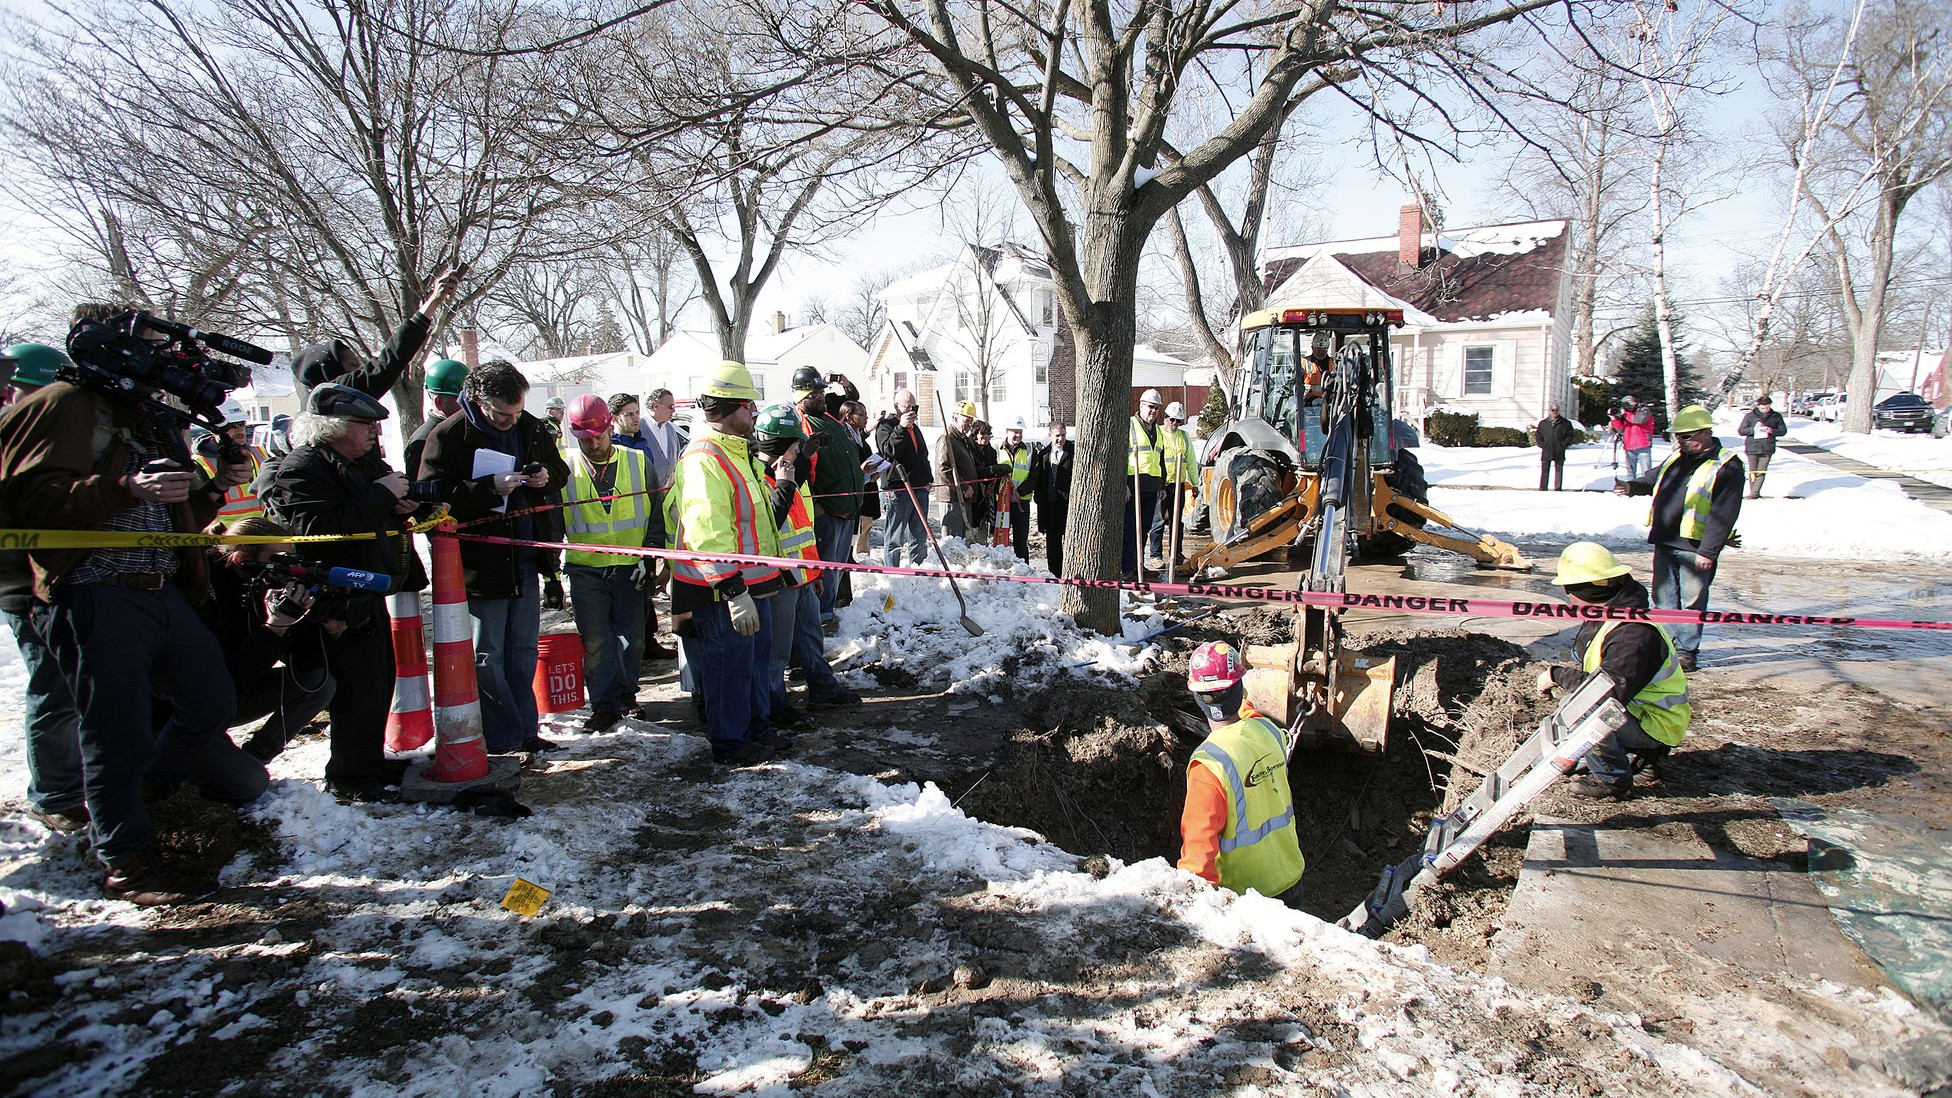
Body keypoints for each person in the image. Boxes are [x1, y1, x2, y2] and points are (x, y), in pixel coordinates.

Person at [1, 309, 267, 904]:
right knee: (112, 732)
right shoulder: (66, 403)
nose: (162, 356)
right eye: (149, 341)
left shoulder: (148, 417)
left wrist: (214, 486)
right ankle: (126, 862)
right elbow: (25, 498)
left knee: (211, 699)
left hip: (162, 588)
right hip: (93, 590)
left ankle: (149, 791)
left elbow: (177, 517)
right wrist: (123, 488)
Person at [261, 384, 426, 800]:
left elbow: (370, 509)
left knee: (378, 682)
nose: (373, 431)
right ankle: (351, 777)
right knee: (355, 690)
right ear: (331, 426)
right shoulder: (302, 467)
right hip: (333, 599)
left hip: (367, 588)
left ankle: (369, 763)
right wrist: (381, 494)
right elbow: (317, 530)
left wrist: (399, 505)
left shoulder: (360, 461)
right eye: (363, 423)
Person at [419, 361, 570, 755]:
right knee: (487, 656)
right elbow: (429, 497)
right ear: (477, 400)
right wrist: (486, 488)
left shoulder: (530, 427)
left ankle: (526, 731)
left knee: (522, 652)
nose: (511, 421)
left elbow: (559, 470)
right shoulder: (448, 436)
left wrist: (544, 476)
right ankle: (502, 738)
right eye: (503, 414)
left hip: (526, 557)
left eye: (517, 412)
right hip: (480, 565)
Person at [665, 362, 784, 765]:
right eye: (750, 406)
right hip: (722, 590)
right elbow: (708, 532)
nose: (754, 414)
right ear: (733, 408)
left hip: (754, 583)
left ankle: (756, 730)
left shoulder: (737, 452)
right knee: (728, 668)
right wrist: (733, 590)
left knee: (752, 664)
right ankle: (730, 742)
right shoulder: (705, 459)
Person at [0, 342, 85, 836]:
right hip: (23, 587)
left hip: (61, 580)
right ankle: (55, 795)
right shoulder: (12, 442)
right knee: (55, 688)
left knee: (74, 686)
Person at [1535, 542, 1690, 800]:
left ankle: (1612, 780)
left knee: (1584, 710)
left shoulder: (1633, 634)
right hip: (1643, 713)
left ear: (1579, 590)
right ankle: (1641, 758)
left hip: (1655, 723)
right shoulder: (1612, 614)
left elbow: (1606, 692)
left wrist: (1556, 675)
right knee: (1570, 704)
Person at [751, 404, 860, 723]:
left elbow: (802, 531)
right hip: (778, 580)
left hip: (801, 577)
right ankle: (774, 705)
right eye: (795, 445)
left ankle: (823, 688)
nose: (800, 450)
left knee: (811, 638)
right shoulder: (761, 481)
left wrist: (814, 573)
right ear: (779, 444)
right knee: (778, 649)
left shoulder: (790, 477)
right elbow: (767, 529)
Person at [195, 516, 335, 763]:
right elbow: (225, 679)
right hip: (202, 701)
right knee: (243, 781)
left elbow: (304, 667)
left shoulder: (260, 584)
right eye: (277, 561)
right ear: (241, 560)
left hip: (238, 691)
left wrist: (303, 619)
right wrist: (274, 628)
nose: (287, 569)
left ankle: (256, 756)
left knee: (319, 685)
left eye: (291, 559)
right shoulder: (206, 592)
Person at [559, 395, 660, 732]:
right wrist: (550, 576)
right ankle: (604, 705)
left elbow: (655, 514)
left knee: (633, 639)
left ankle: (626, 696)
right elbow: (553, 523)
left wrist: (651, 556)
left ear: (609, 428)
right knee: (596, 640)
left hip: (631, 567)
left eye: (599, 437)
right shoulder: (565, 468)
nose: (594, 445)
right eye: (586, 440)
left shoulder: (637, 462)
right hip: (585, 569)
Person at [1177, 641, 1306, 905]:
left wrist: (1192, 904)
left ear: (1198, 698)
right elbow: (1249, 715)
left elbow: (1198, 849)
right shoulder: (1269, 732)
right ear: (1240, 690)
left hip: (1246, 901)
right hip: (1291, 878)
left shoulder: (1209, 763)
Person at [1646, 405, 1743, 672]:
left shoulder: (1727, 465)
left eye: (1686, 436)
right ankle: (1666, 647)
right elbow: (1653, 480)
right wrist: (1631, 486)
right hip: (1665, 540)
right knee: (1663, 600)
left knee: (1692, 602)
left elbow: (1725, 512)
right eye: (1678, 436)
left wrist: (1709, 551)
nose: (1681, 440)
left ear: (1706, 432)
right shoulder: (1677, 458)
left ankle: (1686, 651)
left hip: (1694, 548)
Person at [607, 392, 676, 660]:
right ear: (615, 418)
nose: (636, 418)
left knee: (646, 587)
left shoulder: (642, 442)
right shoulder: (611, 446)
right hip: (620, 535)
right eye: (629, 414)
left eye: (637, 412)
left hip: (647, 524)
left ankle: (648, 641)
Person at [793, 366, 863, 626]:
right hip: (827, 510)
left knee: (838, 566)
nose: (821, 398)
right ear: (801, 397)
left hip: (846, 508)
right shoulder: (803, 423)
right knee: (825, 567)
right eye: (814, 395)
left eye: (821, 393)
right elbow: (801, 469)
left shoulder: (829, 418)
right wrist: (817, 505)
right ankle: (820, 617)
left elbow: (853, 400)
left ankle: (828, 610)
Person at [874, 389, 931, 567]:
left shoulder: (915, 428)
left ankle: (918, 570)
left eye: (914, 406)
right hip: (898, 489)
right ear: (897, 406)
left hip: (920, 488)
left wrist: (927, 479)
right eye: (908, 407)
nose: (911, 410)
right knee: (895, 537)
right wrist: (901, 428)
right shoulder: (886, 426)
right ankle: (892, 572)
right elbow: (889, 451)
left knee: (919, 536)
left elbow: (923, 455)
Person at [192, 399, 267, 525]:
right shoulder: (199, 463)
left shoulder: (261, 453)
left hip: (264, 532)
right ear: (213, 429)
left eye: (242, 424)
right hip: (225, 534)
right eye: (232, 426)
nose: (240, 431)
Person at [1123, 389, 1167, 579]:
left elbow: (1160, 459)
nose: (1153, 411)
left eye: (1156, 408)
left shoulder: (1158, 430)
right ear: (1141, 406)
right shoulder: (1130, 425)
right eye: (1150, 407)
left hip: (1152, 485)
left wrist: (1162, 485)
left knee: (1144, 528)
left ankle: (1138, 565)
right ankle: (1127, 567)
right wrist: (1123, 484)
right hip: (1133, 483)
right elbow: (1121, 456)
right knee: (1130, 528)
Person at [405, 358, 467, 482]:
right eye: (462, 400)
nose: (469, 405)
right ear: (439, 402)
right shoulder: (422, 441)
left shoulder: (462, 429)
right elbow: (419, 487)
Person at [1150, 402, 1196, 568]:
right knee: (1158, 521)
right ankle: (1155, 555)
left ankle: (1176, 553)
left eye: (1178, 421)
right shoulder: (1158, 434)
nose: (1175, 423)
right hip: (1161, 485)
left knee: (1177, 521)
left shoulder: (1184, 437)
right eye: (1172, 419)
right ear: (1165, 418)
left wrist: (1195, 484)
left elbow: (1191, 461)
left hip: (1178, 485)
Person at [933, 400, 984, 542]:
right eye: (966, 422)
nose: (968, 426)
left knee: (961, 541)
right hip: (952, 498)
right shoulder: (947, 439)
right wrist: (963, 486)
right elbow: (944, 468)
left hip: (963, 498)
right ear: (956, 419)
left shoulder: (961, 439)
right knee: (952, 541)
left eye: (970, 422)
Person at [1028, 422, 1073, 575]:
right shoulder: (1043, 455)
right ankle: (1055, 573)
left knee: (1070, 539)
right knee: (1053, 542)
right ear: (1050, 436)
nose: (1061, 439)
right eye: (1057, 436)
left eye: (1063, 435)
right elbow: (1039, 479)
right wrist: (1039, 500)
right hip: (1049, 505)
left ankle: (1070, 571)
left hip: (1067, 505)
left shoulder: (1073, 452)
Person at [1737, 395, 1787, 499]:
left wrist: (1771, 430)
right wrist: (1753, 430)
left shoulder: (1776, 416)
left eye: (1767, 407)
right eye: (1763, 408)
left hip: (1767, 447)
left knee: (1761, 471)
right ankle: (1753, 492)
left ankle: (1754, 493)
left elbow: (1783, 431)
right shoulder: (1750, 416)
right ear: (1758, 406)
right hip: (1752, 447)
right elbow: (1741, 431)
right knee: (1753, 471)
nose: (1765, 410)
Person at [999, 418, 1032, 561]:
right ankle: (1001, 569)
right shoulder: (997, 449)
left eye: (1020, 432)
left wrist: (1019, 492)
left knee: (1021, 541)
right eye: (1014, 432)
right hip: (1002, 503)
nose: (1017, 435)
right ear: (1007, 431)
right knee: (1001, 541)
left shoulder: (1030, 450)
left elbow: (1034, 477)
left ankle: (1023, 569)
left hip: (1021, 503)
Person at [1610, 396, 1655, 484]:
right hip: (1629, 447)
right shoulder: (1625, 414)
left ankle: (1648, 488)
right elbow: (1621, 430)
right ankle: (1631, 487)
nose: (1629, 406)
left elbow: (1638, 420)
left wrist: (1625, 414)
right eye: (1627, 404)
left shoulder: (1644, 410)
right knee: (1630, 472)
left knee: (1646, 472)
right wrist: (1614, 419)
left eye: (1631, 403)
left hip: (1643, 445)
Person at [1535, 403, 1576, 492]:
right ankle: (1543, 488)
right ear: (1550, 411)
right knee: (1545, 471)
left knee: (1559, 471)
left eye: (1557, 410)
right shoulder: (1543, 423)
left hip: (1559, 450)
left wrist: (1563, 445)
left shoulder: (1565, 423)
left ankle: (1558, 488)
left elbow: (1570, 436)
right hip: (1547, 450)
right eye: (1553, 410)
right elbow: (1538, 436)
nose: (1555, 412)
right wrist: (1543, 445)